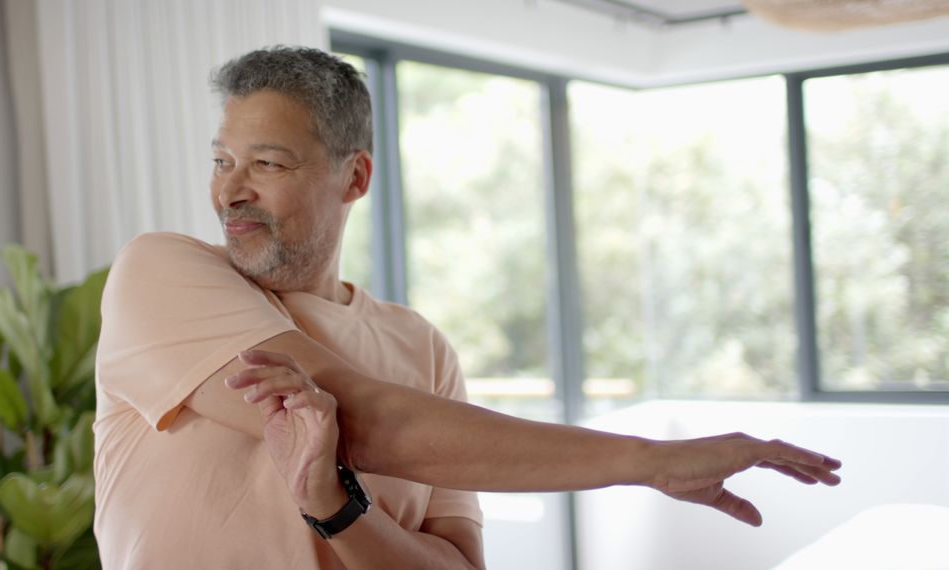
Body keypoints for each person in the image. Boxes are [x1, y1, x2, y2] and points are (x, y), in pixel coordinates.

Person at [92, 46, 842, 569]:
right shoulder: (161, 274)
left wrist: (338, 509)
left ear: (354, 179)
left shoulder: (422, 349)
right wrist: (648, 462)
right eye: (223, 160)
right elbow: (373, 422)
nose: (230, 189)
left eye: (267, 163)